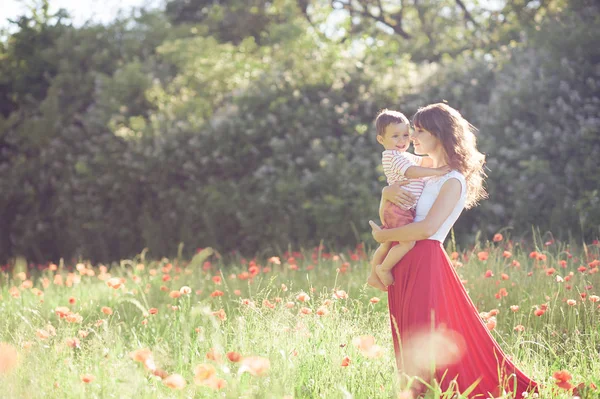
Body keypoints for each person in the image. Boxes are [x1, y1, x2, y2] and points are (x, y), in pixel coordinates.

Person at [369, 103, 538, 397]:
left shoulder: (452, 179)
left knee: (423, 338)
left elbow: (426, 228)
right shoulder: (423, 173)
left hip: (425, 260)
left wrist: (384, 235)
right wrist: (385, 194)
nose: (412, 137)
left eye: (419, 131)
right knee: (407, 339)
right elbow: (397, 206)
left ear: (439, 133)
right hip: (405, 259)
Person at [367, 109, 450, 291]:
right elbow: (413, 171)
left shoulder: (404, 156)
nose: (403, 140)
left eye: (405, 134)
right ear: (381, 140)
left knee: (388, 242)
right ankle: (383, 268)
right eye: (395, 136)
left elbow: (424, 162)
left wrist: (445, 161)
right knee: (407, 242)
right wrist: (437, 172)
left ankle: (373, 275)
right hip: (398, 209)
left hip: (401, 208)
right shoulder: (392, 156)